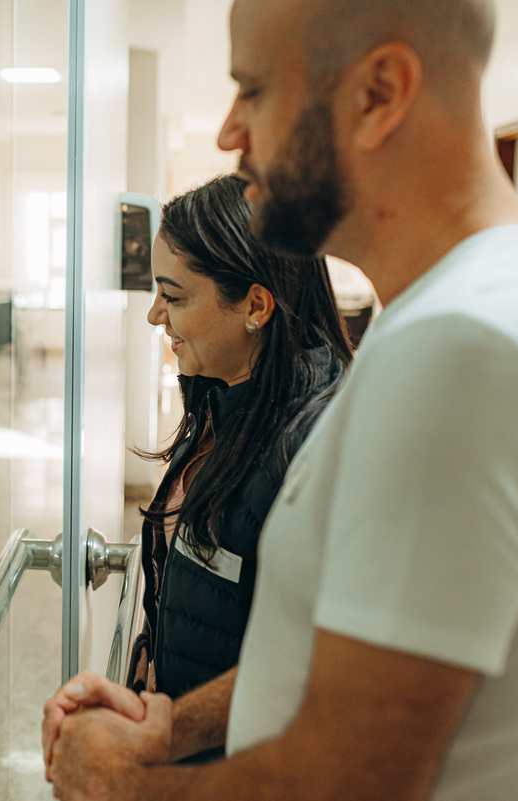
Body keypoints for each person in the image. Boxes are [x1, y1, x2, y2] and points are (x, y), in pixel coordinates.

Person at [43, 1, 518, 800]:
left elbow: (351, 781)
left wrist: (118, 782)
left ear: (378, 93)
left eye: (253, 90)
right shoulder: (467, 306)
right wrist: (171, 724)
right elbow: (333, 665)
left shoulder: (468, 349)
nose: (227, 132)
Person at [126, 174, 351, 708]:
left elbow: (311, 677)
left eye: (173, 295)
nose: (156, 314)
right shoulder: (221, 396)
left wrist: (173, 733)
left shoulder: (314, 447)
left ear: (255, 306)